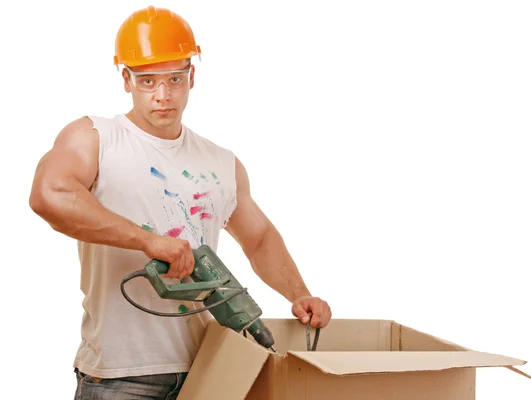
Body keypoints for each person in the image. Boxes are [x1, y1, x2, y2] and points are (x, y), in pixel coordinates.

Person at [29, 5, 331, 399]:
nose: (163, 95)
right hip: (120, 375)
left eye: (174, 78)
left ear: (192, 75)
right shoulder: (95, 138)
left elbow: (258, 239)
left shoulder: (221, 161)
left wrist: (299, 294)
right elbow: (49, 195)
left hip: (210, 367)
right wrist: (147, 241)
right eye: (148, 81)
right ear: (125, 79)